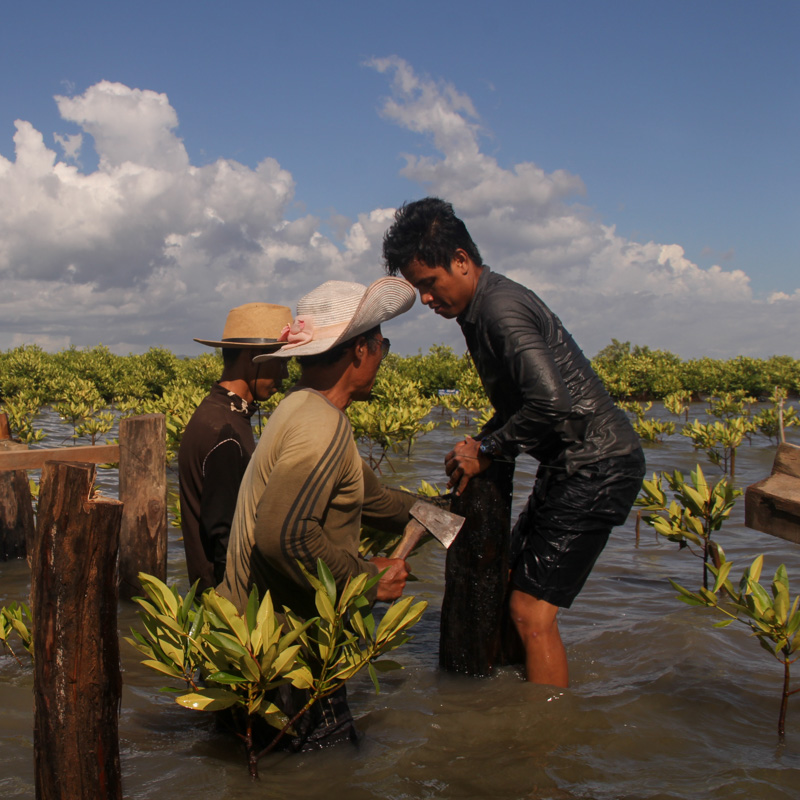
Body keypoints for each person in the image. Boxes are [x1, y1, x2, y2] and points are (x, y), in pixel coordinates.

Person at [382, 197, 645, 689]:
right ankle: (508, 706)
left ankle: (541, 745)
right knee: (510, 586)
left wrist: (486, 450)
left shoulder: (499, 309)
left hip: (598, 464)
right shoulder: (477, 311)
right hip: (570, 465)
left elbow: (552, 402)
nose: (425, 299)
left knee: (530, 612)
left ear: (462, 261)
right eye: (417, 288)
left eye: (429, 284)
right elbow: (520, 405)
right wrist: (483, 441)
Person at [216, 277, 436, 749]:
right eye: (383, 344)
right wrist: (369, 579)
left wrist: (446, 516)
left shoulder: (298, 408)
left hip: (247, 646)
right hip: (286, 658)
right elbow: (286, 538)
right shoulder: (323, 425)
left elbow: (375, 500)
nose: (383, 355)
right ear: (361, 350)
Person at [179, 302, 294, 592]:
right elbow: (226, 540)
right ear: (253, 357)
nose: (285, 375)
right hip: (227, 606)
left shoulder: (220, 414)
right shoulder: (225, 432)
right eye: (281, 362)